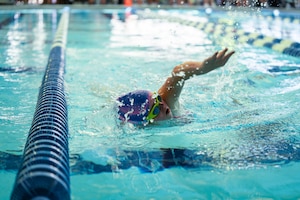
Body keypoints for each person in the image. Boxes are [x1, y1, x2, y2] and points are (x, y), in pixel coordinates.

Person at [116, 48, 235, 126]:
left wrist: (202, 67)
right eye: (155, 110)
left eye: (157, 98)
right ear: (145, 122)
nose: (162, 105)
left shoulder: (166, 100)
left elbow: (179, 72)